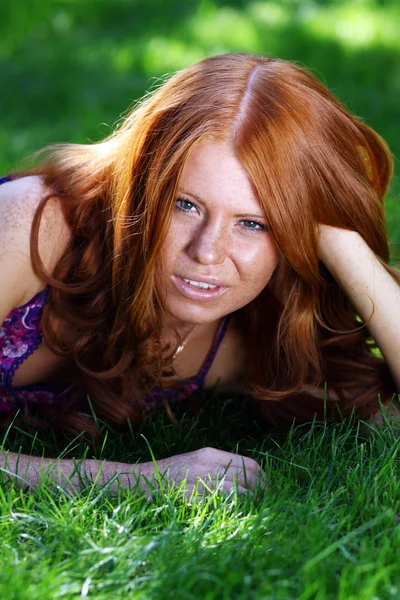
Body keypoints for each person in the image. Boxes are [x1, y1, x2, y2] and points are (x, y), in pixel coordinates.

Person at [1, 53, 399, 495]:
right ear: (141, 189)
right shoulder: (31, 227)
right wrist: (136, 480)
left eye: (253, 223)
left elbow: (383, 408)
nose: (207, 251)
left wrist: (337, 235)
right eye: (185, 205)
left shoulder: (250, 339)